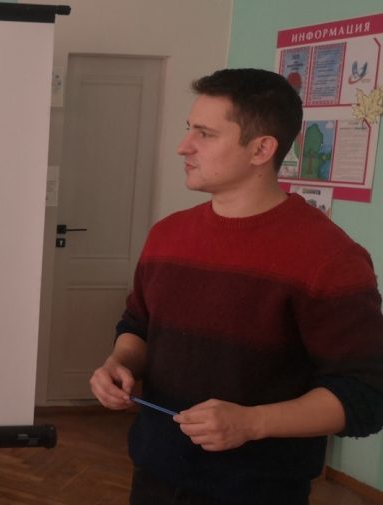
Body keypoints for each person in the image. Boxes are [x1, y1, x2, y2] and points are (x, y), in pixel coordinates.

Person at [89, 68, 383, 505]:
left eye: (205, 134)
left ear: (261, 149)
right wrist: (119, 362)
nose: (183, 146)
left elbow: (366, 395)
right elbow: (139, 324)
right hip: (155, 472)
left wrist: (251, 423)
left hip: (258, 489)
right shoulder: (167, 235)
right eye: (189, 128)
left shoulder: (331, 258)